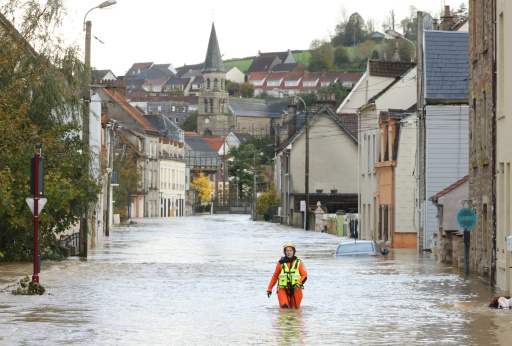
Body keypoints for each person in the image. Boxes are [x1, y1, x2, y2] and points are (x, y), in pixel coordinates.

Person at [267, 243, 308, 309]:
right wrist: (269, 289)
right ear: (285, 252)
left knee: (295, 311)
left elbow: (304, 275)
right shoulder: (280, 263)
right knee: (284, 309)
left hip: (296, 290)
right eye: (287, 251)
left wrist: (299, 283)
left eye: (290, 250)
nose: (289, 252)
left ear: (294, 252)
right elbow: (275, 276)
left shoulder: (299, 262)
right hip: (283, 290)